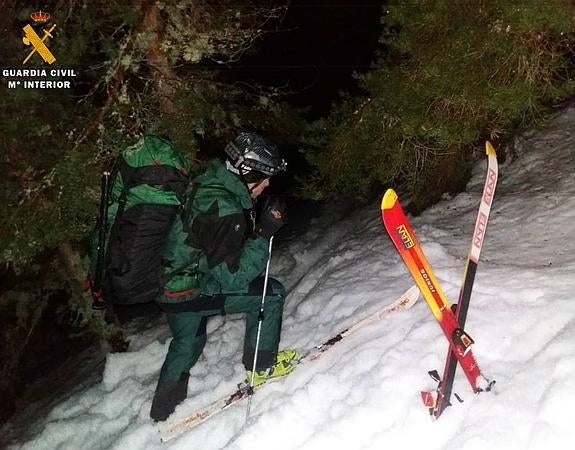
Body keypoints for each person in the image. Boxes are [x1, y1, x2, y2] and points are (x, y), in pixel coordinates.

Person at [150, 132, 298, 422]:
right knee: (270, 294)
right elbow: (234, 279)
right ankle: (261, 367)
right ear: (246, 172)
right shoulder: (223, 206)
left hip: (169, 281)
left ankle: (163, 412)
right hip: (188, 288)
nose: (267, 184)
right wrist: (265, 232)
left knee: (187, 341)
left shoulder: (210, 181)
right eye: (264, 176)